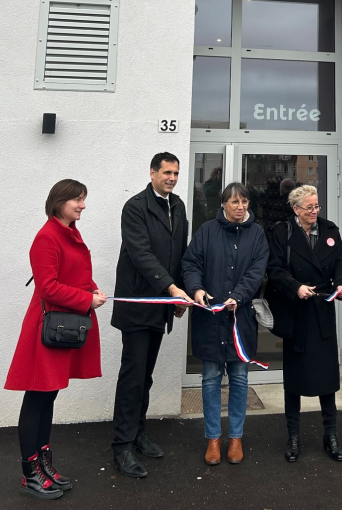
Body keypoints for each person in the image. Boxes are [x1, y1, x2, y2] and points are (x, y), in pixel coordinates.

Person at [5, 179, 108, 500]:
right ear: (59, 201)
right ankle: (29, 472)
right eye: (77, 199)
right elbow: (48, 287)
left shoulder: (70, 232)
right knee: (37, 397)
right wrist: (85, 300)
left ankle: (44, 464)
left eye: (83, 199)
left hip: (61, 326)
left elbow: (74, 274)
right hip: (46, 329)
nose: (83, 205)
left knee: (48, 396)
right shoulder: (46, 237)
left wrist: (91, 288)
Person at [111, 152, 193, 477]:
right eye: (167, 172)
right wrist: (172, 289)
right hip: (137, 306)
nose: (172, 178)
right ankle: (122, 446)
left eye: (176, 173)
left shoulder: (179, 206)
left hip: (160, 306)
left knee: (145, 376)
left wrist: (179, 297)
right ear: (152, 173)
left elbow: (181, 253)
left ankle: (139, 433)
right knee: (132, 377)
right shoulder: (135, 207)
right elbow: (141, 254)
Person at [181, 182, 269, 466]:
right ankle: (213, 439)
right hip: (210, 318)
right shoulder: (207, 231)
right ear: (223, 204)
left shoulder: (257, 234)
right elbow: (190, 263)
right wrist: (195, 289)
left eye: (244, 202)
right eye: (234, 202)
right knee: (209, 380)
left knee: (240, 379)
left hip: (239, 320)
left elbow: (257, 272)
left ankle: (236, 438)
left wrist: (238, 297)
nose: (240, 207)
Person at [267, 184, 342, 464]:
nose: (315, 212)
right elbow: (274, 269)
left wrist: (341, 285)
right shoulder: (282, 233)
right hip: (297, 314)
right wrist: (295, 286)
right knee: (294, 381)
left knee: (327, 379)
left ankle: (331, 434)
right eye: (310, 207)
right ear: (296, 209)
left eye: (317, 206)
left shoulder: (330, 230)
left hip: (322, 312)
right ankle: (293, 436)